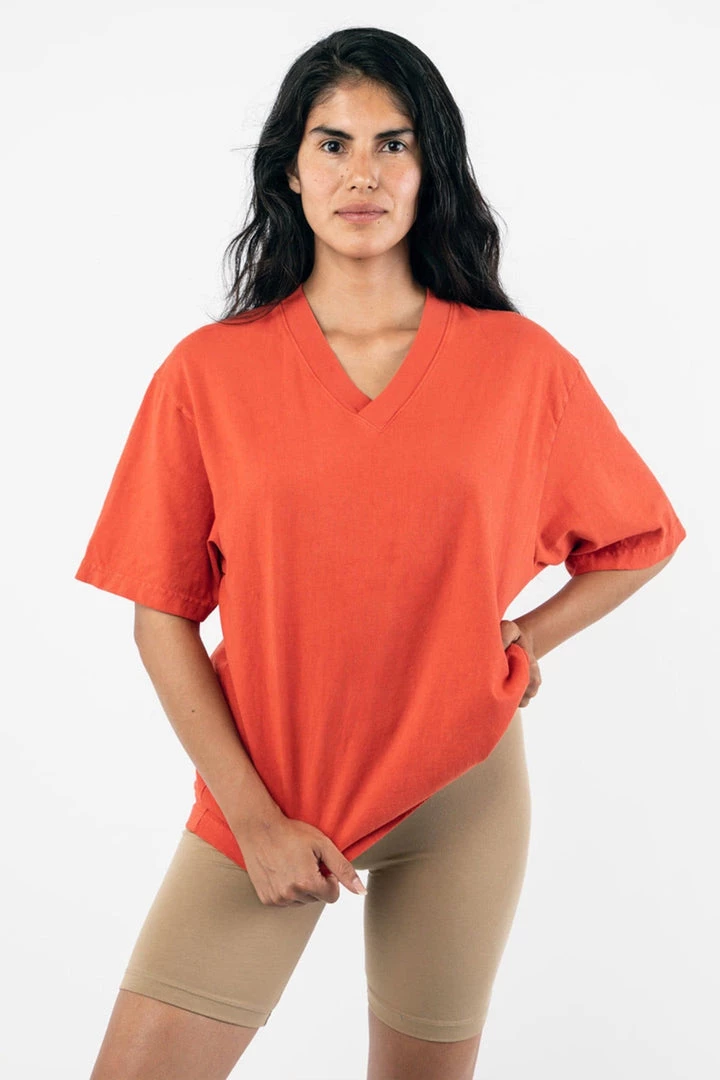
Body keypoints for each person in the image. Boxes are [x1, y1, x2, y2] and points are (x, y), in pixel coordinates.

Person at [75, 26, 687, 1080]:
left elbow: (640, 538)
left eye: (393, 144)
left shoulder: (518, 365)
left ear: (428, 167)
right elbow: (160, 614)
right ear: (291, 169)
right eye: (333, 143)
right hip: (269, 792)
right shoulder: (207, 374)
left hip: (463, 793)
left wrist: (523, 638)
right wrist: (255, 822)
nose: (362, 173)